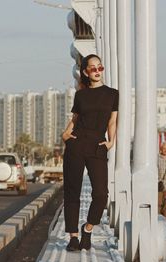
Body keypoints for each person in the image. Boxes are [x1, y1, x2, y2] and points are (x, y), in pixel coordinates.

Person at [62, 54, 119, 251]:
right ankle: (73, 237)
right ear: (86, 72)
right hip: (76, 144)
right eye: (92, 68)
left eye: (99, 67)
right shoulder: (81, 95)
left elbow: (112, 121)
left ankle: (87, 229)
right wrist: (66, 133)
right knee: (72, 191)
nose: (96, 71)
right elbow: (76, 118)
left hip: (98, 144)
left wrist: (111, 142)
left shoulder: (113, 94)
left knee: (101, 193)